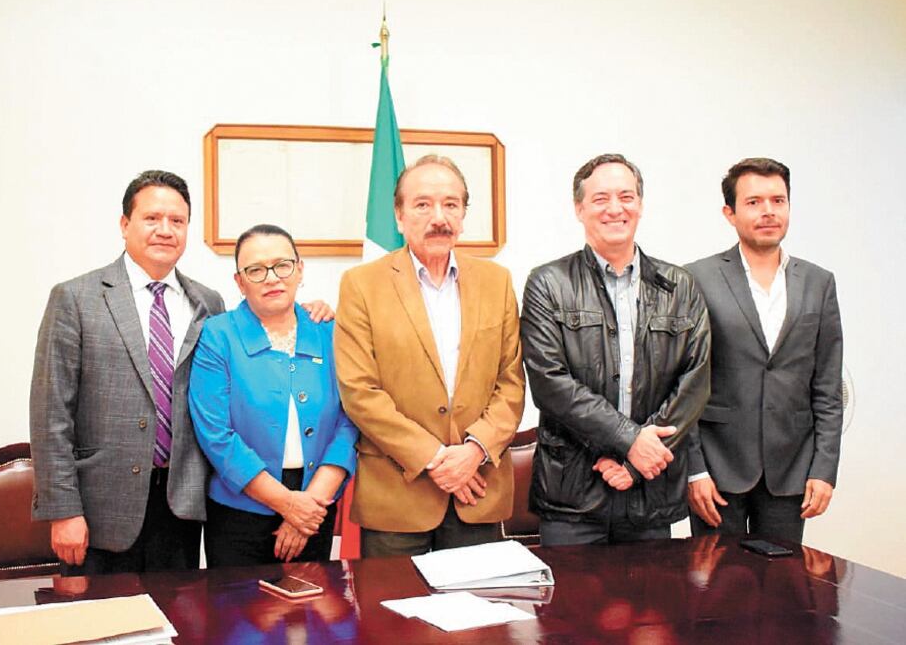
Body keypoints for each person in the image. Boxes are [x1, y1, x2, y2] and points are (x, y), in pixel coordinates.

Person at [30, 170, 226, 574]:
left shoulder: (208, 302)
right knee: (102, 631)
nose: (165, 230)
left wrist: (312, 313)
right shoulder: (76, 298)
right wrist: (63, 510)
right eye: (152, 218)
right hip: (99, 509)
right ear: (125, 225)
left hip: (181, 505)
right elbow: (51, 414)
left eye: (177, 221)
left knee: (177, 628)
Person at [334, 154, 525, 557]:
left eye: (451, 204)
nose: (439, 216)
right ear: (399, 216)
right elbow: (359, 392)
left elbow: (511, 384)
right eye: (423, 204)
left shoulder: (497, 281)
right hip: (397, 498)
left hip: (478, 491)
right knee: (393, 618)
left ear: (463, 214)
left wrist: (472, 453)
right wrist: (438, 460)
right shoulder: (361, 285)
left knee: (479, 618)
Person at [521, 153, 711, 545]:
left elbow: (694, 383)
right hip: (572, 493)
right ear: (579, 209)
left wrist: (638, 462)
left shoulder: (680, 286)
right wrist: (630, 442)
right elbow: (549, 383)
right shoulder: (547, 283)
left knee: (657, 606)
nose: (615, 208)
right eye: (600, 198)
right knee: (570, 608)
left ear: (640, 205)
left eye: (626, 196)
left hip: (651, 493)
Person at [686, 157, 843, 543]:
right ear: (730, 212)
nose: (768, 211)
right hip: (718, 470)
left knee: (785, 593)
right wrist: (694, 470)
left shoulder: (819, 282)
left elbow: (827, 385)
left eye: (778, 200)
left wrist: (824, 469)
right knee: (716, 596)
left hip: (791, 469)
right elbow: (681, 385)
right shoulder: (696, 278)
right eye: (754, 202)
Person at [188, 224, 358, 566]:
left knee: (310, 613)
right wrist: (288, 505)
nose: (272, 278)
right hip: (240, 508)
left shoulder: (329, 331)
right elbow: (216, 435)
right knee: (239, 614)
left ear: (299, 271)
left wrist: (309, 505)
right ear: (239, 282)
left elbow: (349, 420)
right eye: (256, 270)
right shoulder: (218, 336)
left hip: (317, 503)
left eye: (283, 265)